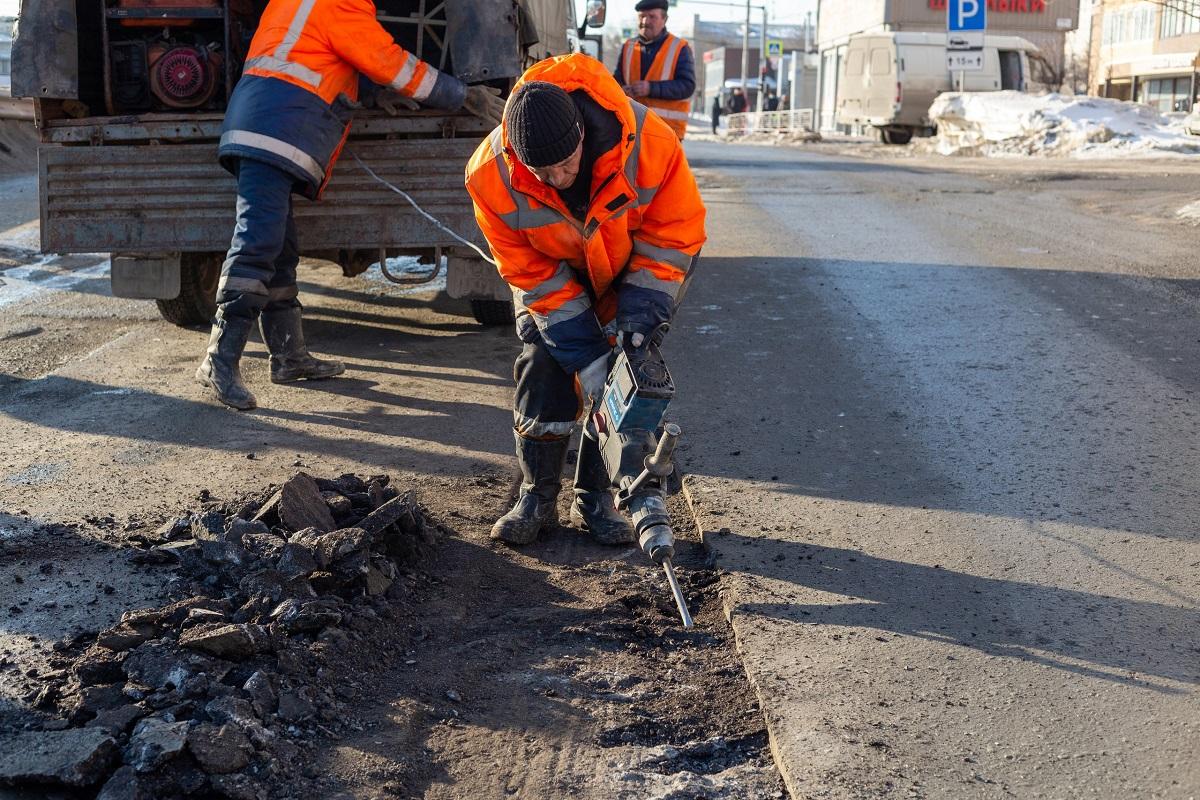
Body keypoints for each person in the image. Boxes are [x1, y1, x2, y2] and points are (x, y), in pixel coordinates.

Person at [196, 0, 505, 410]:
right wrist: (464, 95)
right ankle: (218, 360)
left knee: (280, 249)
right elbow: (396, 65)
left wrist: (373, 93)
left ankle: (288, 356)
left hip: (265, 124)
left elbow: (318, 55)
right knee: (257, 245)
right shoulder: (339, 5)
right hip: (275, 130)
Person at [465, 53, 706, 546]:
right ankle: (536, 494)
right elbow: (533, 275)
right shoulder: (490, 175)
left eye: (565, 165)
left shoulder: (651, 144)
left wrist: (634, 325)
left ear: (582, 136)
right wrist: (584, 361)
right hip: (553, 275)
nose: (556, 180)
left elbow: (673, 241)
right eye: (542, 171)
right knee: (544, 361)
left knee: (624, 373)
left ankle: (597, 496)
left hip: (630, 275)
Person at [613, 0, 695, 139]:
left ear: (664, 19)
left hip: (666, 131)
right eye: (641, 16)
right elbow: (617, 80)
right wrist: (621, 89)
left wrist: (651, 88)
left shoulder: (680, 47)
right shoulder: (629, 46)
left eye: (652, 17)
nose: (645, 21)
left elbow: (687, 86)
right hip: (631, 128)